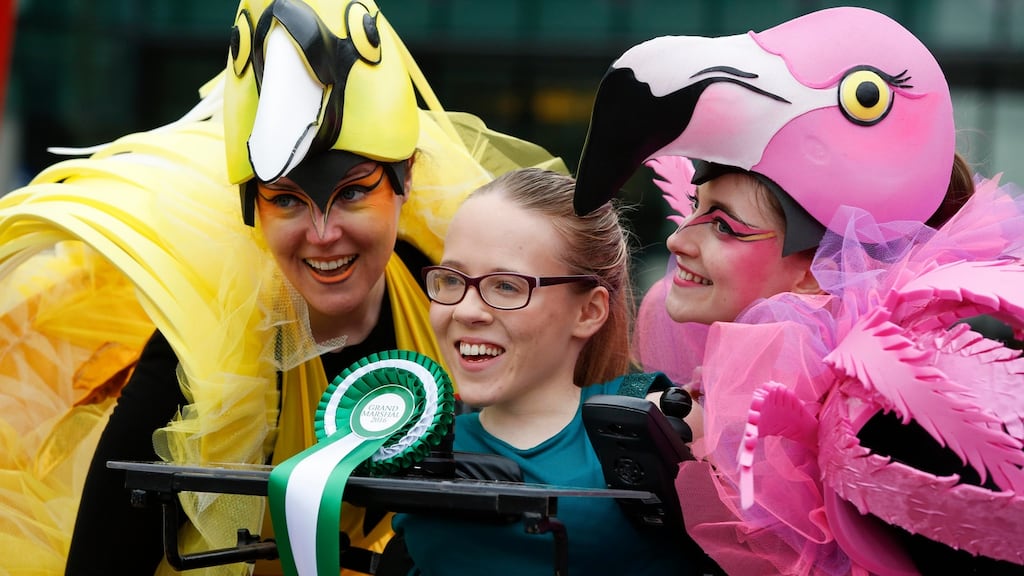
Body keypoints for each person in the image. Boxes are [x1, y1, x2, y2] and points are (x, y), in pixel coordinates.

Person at [0, 1, 565, 575]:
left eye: (351, 193)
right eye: (288, 200)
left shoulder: (453, 296)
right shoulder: (200, 360)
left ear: (406, 179)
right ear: (253, 208)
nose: (323, 235)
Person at [572, 6, 1024, 576]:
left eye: (725, 227)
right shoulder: (719, 383)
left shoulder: (893, 420)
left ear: (819, 270)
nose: (681, 240)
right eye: (695, 210)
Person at [391, 167, 697, 575]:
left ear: (588, 311)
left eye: (506, 286)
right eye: (451, 279)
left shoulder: (652, 422)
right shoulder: (411, 439)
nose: (464, 310)